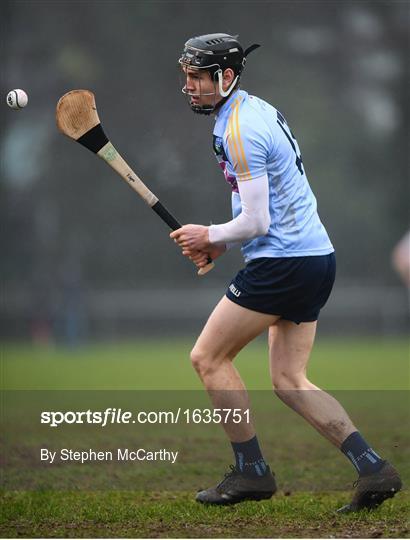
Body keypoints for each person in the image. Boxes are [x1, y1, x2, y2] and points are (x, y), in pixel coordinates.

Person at [171, 33, 402, 512]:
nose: (189, 86)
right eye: (186, 76)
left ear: (226, 76)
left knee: (208, 358)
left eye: (197, 77)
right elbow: (260, 208)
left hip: (285, 264)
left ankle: (251, 472)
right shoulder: (254, 110)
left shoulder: (239, 129)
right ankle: (374, 468)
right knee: (290, 379)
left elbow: (259, 220)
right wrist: (222, 242)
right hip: (316, 258)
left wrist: (209, 235)